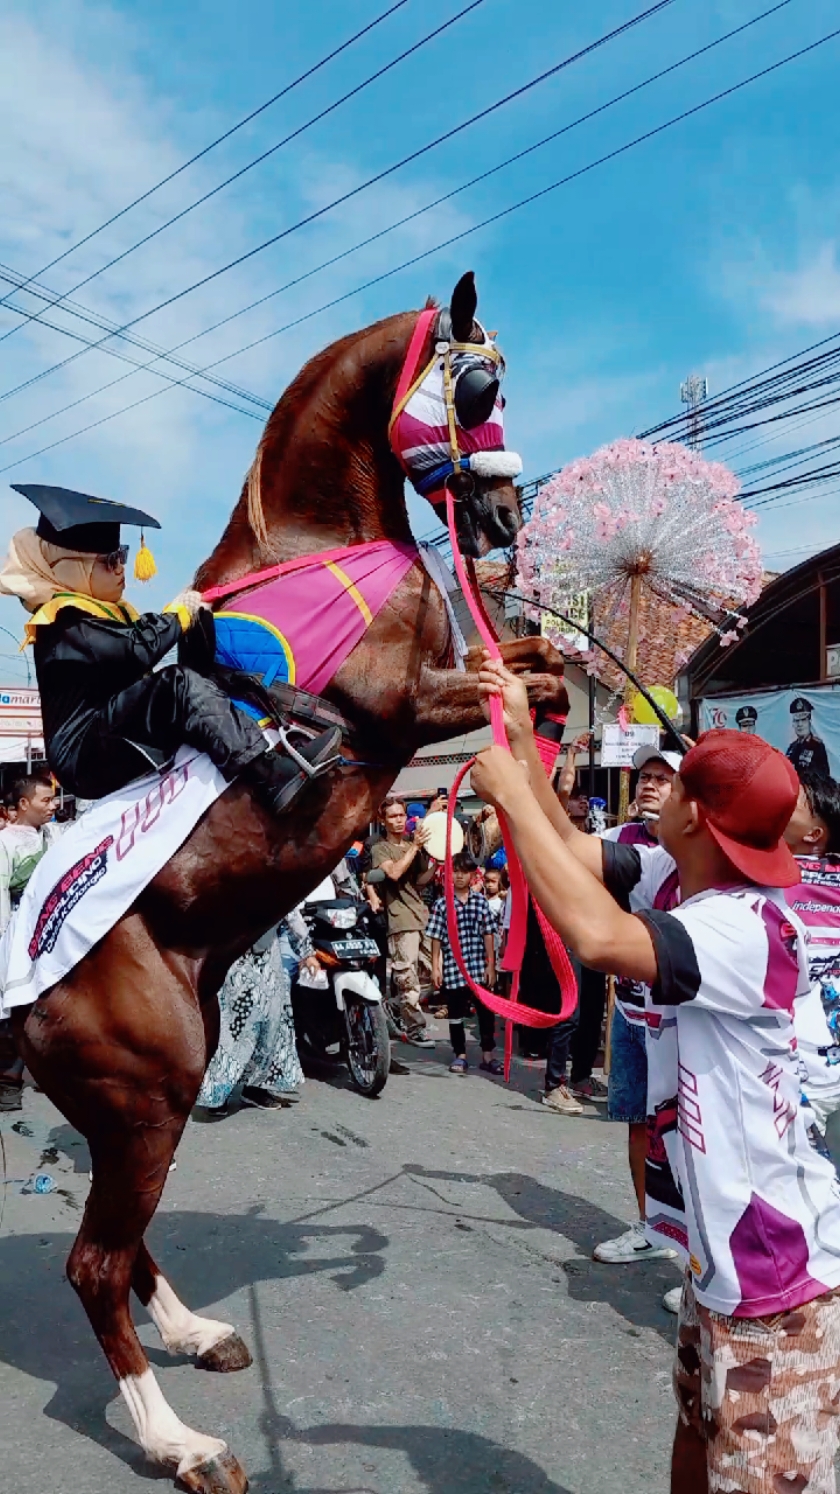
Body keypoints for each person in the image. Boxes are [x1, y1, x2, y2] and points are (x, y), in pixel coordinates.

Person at [474, 669, 840, 1494]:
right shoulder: (676, 879)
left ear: (697, 820)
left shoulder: (745, 927)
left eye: (676, 784)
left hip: (777, 1280)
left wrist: (510, 795)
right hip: (720, 1264)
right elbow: (571, 857)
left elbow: (599, 940)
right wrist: (525, 739)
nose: (659, 789)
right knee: (696, 1449)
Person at [0, 484, 341, 817]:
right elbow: (137, 649)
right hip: (84, 756)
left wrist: (193, 614)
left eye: (123, 556)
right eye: (109, 561)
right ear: (72, 568)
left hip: (108, 733)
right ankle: (271, 776)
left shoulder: (102, 614)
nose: (121, 568)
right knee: (177, 684)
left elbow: (144, 642)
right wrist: (178, 615)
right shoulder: (62, 623)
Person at [595, 743, 681, 1263]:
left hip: (680, 1015)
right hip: (629, 1007)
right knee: (636, 1119)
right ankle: (651, 1226)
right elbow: (561, 852)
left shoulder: (696, 845)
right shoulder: (617, 839)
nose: (649, 784)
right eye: (644, 776)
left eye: (663, 778)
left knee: (687, 1127)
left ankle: (697, 1243)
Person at [196, 908, 316, 1114]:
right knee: (234, 1029)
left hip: (270, 959)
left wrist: (307, 953)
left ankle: (255, 1088)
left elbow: (291, 913)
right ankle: (217, 1093)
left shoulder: (277, 885)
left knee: (271, 1027)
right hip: (235, 958)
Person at [783, 769, 840, 1136]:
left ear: (813, 834)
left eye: (792, 802)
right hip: (801, 1073)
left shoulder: (767, 878)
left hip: (805, 1078)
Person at [0, 770, 56, 1108]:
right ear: (23, 803)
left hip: (48, 933)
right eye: (45, 800)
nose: (52, 806)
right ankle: (9, 1078)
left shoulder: (54, 835)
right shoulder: (5, 842)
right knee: (11, 1007)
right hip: (15, 933)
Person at [426, 853, 501, 1075]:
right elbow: (436, 937)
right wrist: (436, 966)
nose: (459, 876)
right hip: (454, 968)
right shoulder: (442, 905)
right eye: (455, 871)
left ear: (472, 875)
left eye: (464, 872)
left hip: (479, 967)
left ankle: (488, 1056)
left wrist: (490, 964)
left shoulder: (480, 902)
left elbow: (488, 934)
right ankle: (460, 1055)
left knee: (486, 1013)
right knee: (456, 1014)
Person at [370, 797, 435, 1047]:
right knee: (407, 978)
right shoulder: (381, 848)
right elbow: (395, 873)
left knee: (431, 974)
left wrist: (436, 864)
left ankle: (391, 1006)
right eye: (393, 816)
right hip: (400, 919)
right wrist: (414, 848)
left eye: (401, 815)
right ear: (383, 821)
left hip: (421, 915)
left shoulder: (411, 845)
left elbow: (419, 881)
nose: (399, 820)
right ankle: (416, 1028)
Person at [786, 695, 830, 777]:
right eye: (796, 721)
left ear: (809, 721)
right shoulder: (792, 748)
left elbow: (823, 776)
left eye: (803, 720)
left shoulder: (817, 746)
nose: (800, 724)